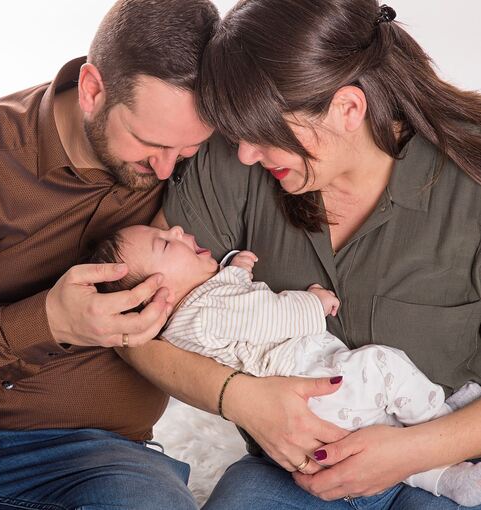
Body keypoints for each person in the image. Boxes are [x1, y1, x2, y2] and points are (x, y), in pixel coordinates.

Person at [131, 0, 480, 508]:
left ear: (348, 109)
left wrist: (411, 450)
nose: (246, 153)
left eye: (262, 134)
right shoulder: (235, 165)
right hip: (293, 473)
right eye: (237, 132)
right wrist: (238, 397)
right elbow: (129, 318)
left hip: (447, 466)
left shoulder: (468, 183)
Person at [0, 1, 219, 507]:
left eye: (185, 151)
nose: (167, 171)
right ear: (93, 89)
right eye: (148, 143)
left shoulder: (199, 168)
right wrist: (50, 322)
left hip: (94, 459)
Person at [89, 223, 481, 506]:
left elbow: (233, 298)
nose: (176, 230)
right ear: (159, 294)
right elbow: (266, 315)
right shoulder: (203, 314)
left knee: (377, 435)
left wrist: (237, 267)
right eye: (165, 243)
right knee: (381, 364)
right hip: (311, 389)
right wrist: (313, 303)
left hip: (315, 399)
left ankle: (444, 474)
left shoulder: (199, 309)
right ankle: (440, 421)